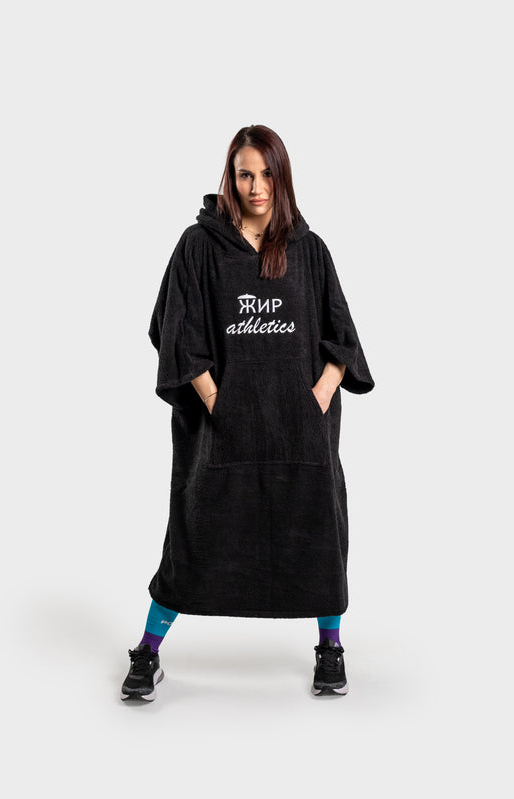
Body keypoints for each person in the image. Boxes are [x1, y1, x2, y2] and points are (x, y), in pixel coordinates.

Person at [120, 124, 375, 702]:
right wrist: (219, 402)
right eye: (244, 174)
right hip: (222, 432)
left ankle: (330, 647)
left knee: (317, 531)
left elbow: (343, 338)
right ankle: (149, 651)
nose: (256, 186)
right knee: (194, 532)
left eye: (266, 174)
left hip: (300, 432)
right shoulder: (199, 246)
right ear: (230, 178)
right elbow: (175, 331)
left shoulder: (309, 250)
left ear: (282, 178)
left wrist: (317, 398)